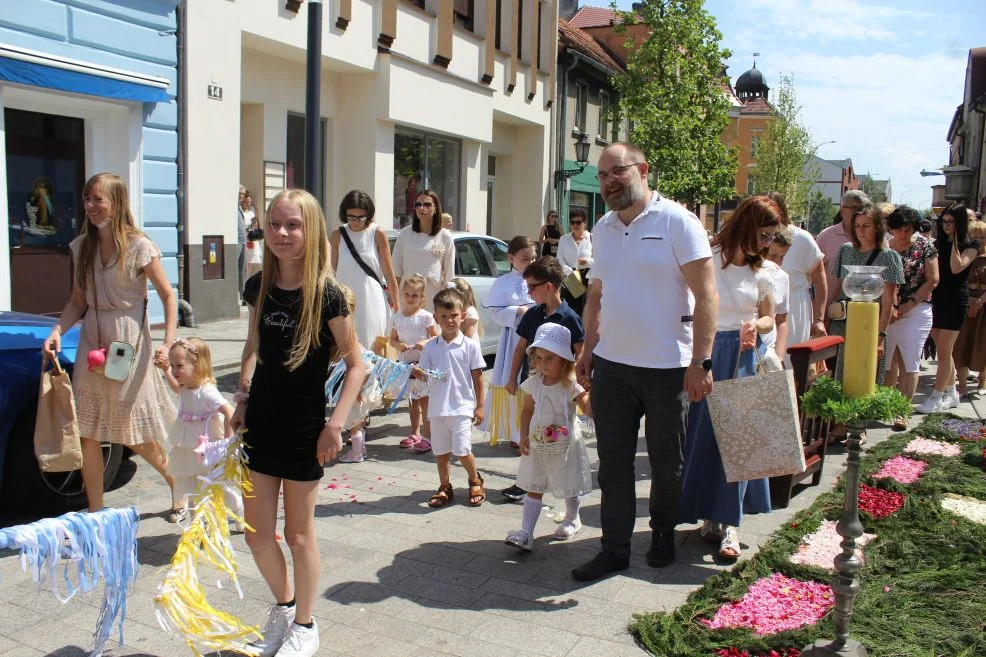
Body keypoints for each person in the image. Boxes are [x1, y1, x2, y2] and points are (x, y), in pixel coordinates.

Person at [572, 143, 717, 581]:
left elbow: (708, 295)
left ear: (643, 169)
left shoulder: (678, 221)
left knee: (665, 463)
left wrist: (702, 361)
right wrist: (587, 349)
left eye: (617, 171)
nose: (609, 181)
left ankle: (662, 536)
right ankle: (613, 550)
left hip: (667, 367)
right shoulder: (603, 227)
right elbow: (596, 295)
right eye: (602, 175)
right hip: (613, 365)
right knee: (613, 463)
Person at [233, 189, 365, 657]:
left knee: (298, 534)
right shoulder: (259, 286)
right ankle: (285, 608)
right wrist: (243, 395)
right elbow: (252, 349)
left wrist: (337, 424)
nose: (282, 234)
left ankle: (306, 627)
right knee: (256, 535)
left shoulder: (328, 296)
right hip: (261, 424)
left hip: (305, 428)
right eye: (274, 225)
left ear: (310, 230)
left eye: (293, 225)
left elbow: (358, 366)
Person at [42, 172, 177, 512]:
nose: (91, 205)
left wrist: (167, 343)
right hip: (93, 343)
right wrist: (57, 331)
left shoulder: (139, 246)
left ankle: (177, 480)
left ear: (117, 203)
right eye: (87, 198)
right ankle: (96, 511)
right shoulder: (82, 247)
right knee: (86, 430)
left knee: (132, 430)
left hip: (128, 345)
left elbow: (168, 296)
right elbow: (77, 301)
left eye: (98, 199)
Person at [680, 195, 780, 560]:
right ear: (747, 225)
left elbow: (771, 317)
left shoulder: (762, 272)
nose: (768, 242)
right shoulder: (708, 257)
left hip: (741, 357)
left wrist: (757, 322)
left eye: (772, 235)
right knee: (704, 438)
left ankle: (731, 526)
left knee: (739, 443)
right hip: (707, 354)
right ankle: (708, 517)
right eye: (764, 233)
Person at [501, 256, 586, 502]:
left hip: (560, 388)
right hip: (534, 384)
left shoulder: (570, 317)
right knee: (532, 429)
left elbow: (580, 349)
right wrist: (511, 377)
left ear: (548, 286)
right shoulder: (532, 314)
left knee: (558, 434)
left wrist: (574, 377)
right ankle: (529, 482)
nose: (528, 291)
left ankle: (563, 487)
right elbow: (521, 347)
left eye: (532, 287)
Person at [505, 323, 593, 549]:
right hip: (538, 442)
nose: (543, 364)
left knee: (568, 482)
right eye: (539, 358)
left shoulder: (570, 384)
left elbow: (589, 409)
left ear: (564, 359)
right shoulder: (535, 382)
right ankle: (526, 532)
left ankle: (573, 518)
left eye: (550, 358)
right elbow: (526, 410)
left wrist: (591, 391)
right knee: (535, 484)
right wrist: (523, 435)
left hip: (564, 445)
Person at [414, 288, 487, 508]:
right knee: (441, 452)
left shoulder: (470, 346)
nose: (449, 321)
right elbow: (426, 375)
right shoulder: (430, 348)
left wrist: (480, 405)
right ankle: (444, 486)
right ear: (436, 318)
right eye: (443, 316)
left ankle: (475, 479)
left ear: (462, 316)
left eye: (454, 315)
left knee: (462, 450)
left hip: (462, 407)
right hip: (437, 408)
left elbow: (478, 377)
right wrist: (419, 374)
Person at [158, 337, 241, 524]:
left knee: (213, 486)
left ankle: (237, 507)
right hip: (190, 447)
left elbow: (229, 412)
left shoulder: (207, 391)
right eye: (172, 365)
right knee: (193, 487)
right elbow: (176, 389)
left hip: (208, 448)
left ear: (198, 364)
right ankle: (198, 525)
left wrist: (226, 442)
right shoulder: (186, 387)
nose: (174, 370)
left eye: (179, 365)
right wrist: (165, 371)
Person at [828, 203, 904, 384]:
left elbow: (888, 302)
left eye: (866, 226)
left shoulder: (889, 256)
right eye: (857, 226)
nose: (860, 231)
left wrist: (880, 337)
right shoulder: (845, 250)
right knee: (842, 374)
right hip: (845, 321)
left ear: (877, 227)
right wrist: (827, 319)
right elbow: (837, 288)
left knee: (866, 372)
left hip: (870, 324)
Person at [917, 205, 982, 412]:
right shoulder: (936, 244)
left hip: (956, 301)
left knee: (944, 352)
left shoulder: (971, 244)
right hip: (937, 298)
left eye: (951, 222)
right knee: (945, 351)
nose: (946, 226)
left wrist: (955, 241)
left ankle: (937, 396)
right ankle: (952, 393)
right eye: (944, 222)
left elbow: (957, 267)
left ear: (960, 223)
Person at [884, 206, 939, 430]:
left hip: (916, 309)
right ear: (891, 229)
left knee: (910, 359)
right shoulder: (884, 246)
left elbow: (933, 280)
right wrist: (891, 308)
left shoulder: (925, 247)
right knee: (886, 361)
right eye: (898, 230)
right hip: (888, 309)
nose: (903, 234)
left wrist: (905, 306)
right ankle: (884, 405)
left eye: (907, 230)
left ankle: (902, 411)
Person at [482, 236, 536, 449]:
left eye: (532, 258)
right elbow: (495, 312)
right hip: (515, 338)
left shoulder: (539, 277)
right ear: (511, 258)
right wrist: (517, 311)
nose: (529, 263)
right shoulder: (502, 283)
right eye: (525, 259)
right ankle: (517, 433)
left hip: (539, 338)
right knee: (516, 382)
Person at [330, 190, 400, 349]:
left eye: (361, 217)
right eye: (351, 217)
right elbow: (332, 272)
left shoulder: (377, 233)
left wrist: (397, 308)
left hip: (371, 299)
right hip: (344, 299)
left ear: (368, 215)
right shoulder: (337, 235)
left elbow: (389, 274)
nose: (356, 221)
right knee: (343, 348)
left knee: (372, 345)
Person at [766, 192, 827, 359]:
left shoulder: (802, 238)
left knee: (790, 361)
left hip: (794, 306)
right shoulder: (757, 238)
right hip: (763, 306)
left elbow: (820, 280)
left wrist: (819, 319)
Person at [334, 284, 383, 464]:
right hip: (362, 388)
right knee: (359, 422)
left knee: (354, 425)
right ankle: (360, 450)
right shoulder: (352, 331)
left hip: (358, 390)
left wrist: (358, 390)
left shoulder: (348, 337)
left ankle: (357, 453)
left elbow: (366, 367)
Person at [391, 275, 439, 453]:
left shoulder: (425, 317)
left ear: (422, 297)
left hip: (423, 364)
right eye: (407, 294)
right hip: (406, 365)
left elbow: (435, 337)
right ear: (402, 294)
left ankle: (428, 436)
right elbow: (392, 340)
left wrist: (424, 343)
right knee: (412, 401)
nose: (410, 299)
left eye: (415, 296)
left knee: (425, 400)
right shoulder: (397, 317)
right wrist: (399, 345)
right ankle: (415, 433)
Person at [392, 189, 455, 310]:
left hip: (433, 298)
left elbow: (449, 275)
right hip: (407, 297)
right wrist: (393, 298)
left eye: (427, 204)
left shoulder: (445, 236)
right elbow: (396, 271)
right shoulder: (405, 234)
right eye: (418, 204)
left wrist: (448, 302)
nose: (422, 208)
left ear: (436, 208)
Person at [817, 190, 870, 310]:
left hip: (867, 308)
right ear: (842, 209)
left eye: (863, 208)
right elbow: (812, 276)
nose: (859, 212)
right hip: (833, 308)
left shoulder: (877, 239)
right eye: (854, 208)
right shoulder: (826, 236)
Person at [954, 219, 986, 399]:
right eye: (976, 236)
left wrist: (980, 300)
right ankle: (962, 384)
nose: (980, 240)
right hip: (966, 305)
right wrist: (969, 300)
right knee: (962, 344)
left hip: (984, 306)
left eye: (983, 236)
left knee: (982, 344)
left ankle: (982, 381)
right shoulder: (965, 256)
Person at [762, 229, 792, 363]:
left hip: (769, 352)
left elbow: (782, 320)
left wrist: (779, 356)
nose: (778, 262)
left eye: (783, 256)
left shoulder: (782, 277)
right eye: (772, 255)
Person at [557, 208, 594, 316]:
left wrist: (587, 261)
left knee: (587, 308)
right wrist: (570, 273)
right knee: (570, 307)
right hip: (570, 276)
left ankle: (584, 330)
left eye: (578, 222)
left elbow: (599, 259)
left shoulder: (593, 238)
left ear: (585, 223)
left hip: (588, 276)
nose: (575, 225)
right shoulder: (564, 239)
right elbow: (559, 258)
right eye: (572, 222)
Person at [237, 185, 248, 302]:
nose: (241, 196)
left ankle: (244, 296)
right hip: (236, 241)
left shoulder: (239, 208)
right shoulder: (233, 207)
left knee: (243, 271)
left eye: (243, 194)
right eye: (240, 193)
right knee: (237, 270)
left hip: (243, 241)